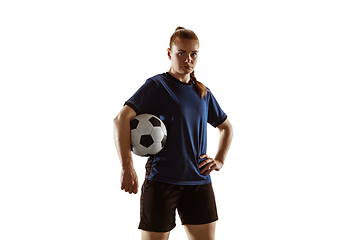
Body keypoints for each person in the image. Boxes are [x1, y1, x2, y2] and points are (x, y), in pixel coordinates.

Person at [113, 27, 233, 240]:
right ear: (169, 53)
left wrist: (220, 160)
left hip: (198, 182)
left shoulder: (202, 92)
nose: (188, 59)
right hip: (162, 181)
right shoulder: (157, 86)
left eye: (193, 54)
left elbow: (226, 127)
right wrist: (127, 166)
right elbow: (121, 119)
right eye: (181, 53)